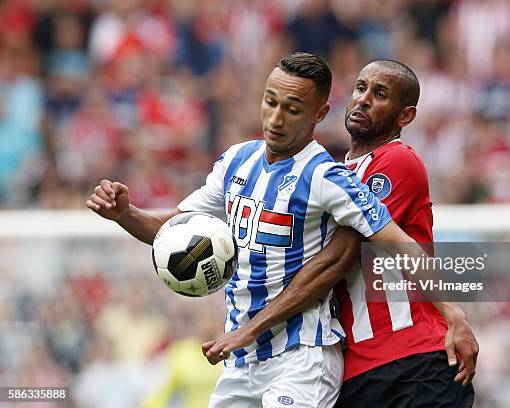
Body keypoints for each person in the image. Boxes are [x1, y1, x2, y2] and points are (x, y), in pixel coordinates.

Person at [87, 52, 429, 408]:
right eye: (270, 102)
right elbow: (172, 230)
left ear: (319, 114)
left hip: (302, 357)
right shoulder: (236, 160)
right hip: (240, 359)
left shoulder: (328, 178)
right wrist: (125, 214)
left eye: (293, 109)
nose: (276, 118)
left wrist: (453, 313)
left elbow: (400, 242)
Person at [202, 60, 478, 407]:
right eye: (360, 88)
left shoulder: (395, 161)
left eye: (380, 95)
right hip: (358, 369)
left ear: (405, 116)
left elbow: (340, 253)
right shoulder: (333, 175)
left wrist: (454, 312)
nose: (363, 99)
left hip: (415, 360)